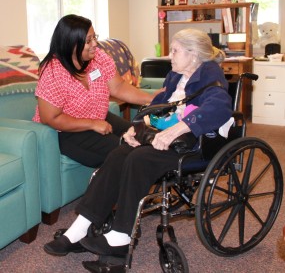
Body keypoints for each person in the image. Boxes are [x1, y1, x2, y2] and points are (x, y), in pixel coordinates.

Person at [43, 28, 233, 264]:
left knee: (137, 158)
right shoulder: (176, 76)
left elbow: (220, 107)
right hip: (165, 141)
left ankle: (121, 236)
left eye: (174, 51)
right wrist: (137, 127)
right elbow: (157, 108)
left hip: (192, 147)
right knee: (120, 152)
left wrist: (179, 128)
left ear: (193, 55)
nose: (169, 56)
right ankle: (80, 227)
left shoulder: (210, 77)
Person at [32, 14, 156, 168]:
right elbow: (50, 118)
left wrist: (152, 99)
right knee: (127, 152)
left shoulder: (98, 57)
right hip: (66, 132)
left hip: (98, 117)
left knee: (145, 135)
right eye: (88, 40)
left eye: (94, 37)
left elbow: (118, 87)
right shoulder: (52, 71)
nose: (95, 44)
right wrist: (92, 124)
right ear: (71, 44)